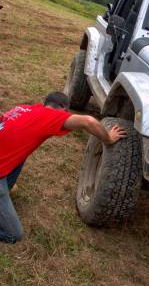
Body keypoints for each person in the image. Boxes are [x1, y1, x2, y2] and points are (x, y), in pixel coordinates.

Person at [0, 91, 127, 244]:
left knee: (20, 151)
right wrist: (108, 138)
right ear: (63, 109)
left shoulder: (24, 108)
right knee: (14, 235)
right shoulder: (50, 115)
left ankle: (7, 186)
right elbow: (88, 121)